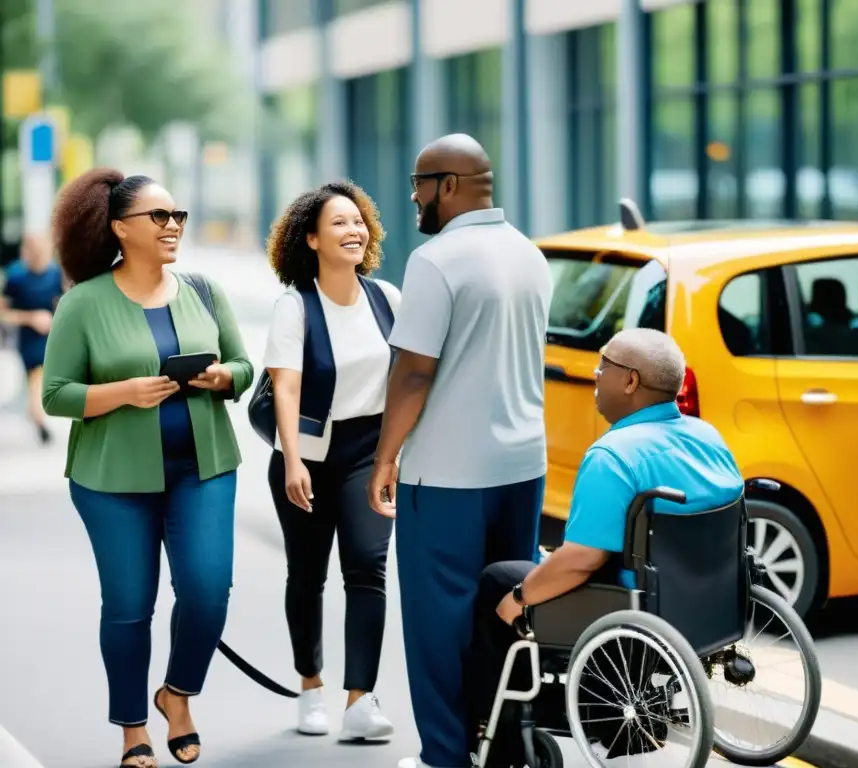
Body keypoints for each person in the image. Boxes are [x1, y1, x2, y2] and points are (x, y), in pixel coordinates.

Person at [42, 168, 254, 768]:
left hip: (204, 468)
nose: (173, 226)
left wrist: (222, 378)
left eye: (177, 216)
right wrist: (124, 392)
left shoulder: (204, 291)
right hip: (112, 482)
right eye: (159, 217)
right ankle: (133, 725)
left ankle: (177, 694)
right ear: (120, 229)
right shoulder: (82, 303)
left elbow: (243, 366)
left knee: (209, 591)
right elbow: (55, 395)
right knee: (130, 604)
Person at [463, 329, 745, 763]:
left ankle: (494, 737)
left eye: (604, 366)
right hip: (705, 604)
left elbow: (583, 560)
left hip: (633, 609)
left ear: (630, 381)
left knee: (498, 581)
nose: (595, 374)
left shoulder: (612, 456)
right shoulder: (708, 437)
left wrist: (518, 599)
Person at [366, 134, 553, 768]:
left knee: (438, 623)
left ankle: (444, 755)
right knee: (506, 608)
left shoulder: (436, 259)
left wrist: (386, 456)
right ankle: (500, 746)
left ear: (448, 186)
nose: (414, 198)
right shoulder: (531, 254)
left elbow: (414, 372)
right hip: (523, 466)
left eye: (419, 184)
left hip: (447, 475)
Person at [261, 180, 399, 739]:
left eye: (358, 220)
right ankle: (310, 684)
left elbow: (411, 378)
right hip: (309, 454)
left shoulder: (388, 298)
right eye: (339, 223)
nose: (353, 230)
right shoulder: (295, 306)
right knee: (308, 574)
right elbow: (286, 389)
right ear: (312, 239)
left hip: (370, 452)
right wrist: (293, 460)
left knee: (367, 567)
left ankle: (360, 701)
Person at [0, 232, 64, 444]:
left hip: (54, 335)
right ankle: (38, 418)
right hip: (29, 340)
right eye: (33, 251)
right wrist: (31, 318)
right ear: (26, 252)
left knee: (44, 382)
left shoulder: (56, 274)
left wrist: (54, 318)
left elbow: (65, 303)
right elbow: (4, 313)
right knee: (37, 377)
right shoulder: (15, 277)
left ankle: (35, 414)